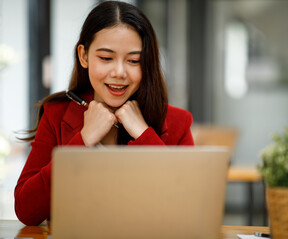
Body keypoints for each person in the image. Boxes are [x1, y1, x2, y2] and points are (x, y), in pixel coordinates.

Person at [15, 1, 194, 226]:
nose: (119, 72)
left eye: (133, 61)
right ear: (84, 56)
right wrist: (84, 139)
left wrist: (143, 134)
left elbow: (188, 211)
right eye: (106, 58)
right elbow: (26, 210)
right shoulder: (56, 114)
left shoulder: (178, 122)